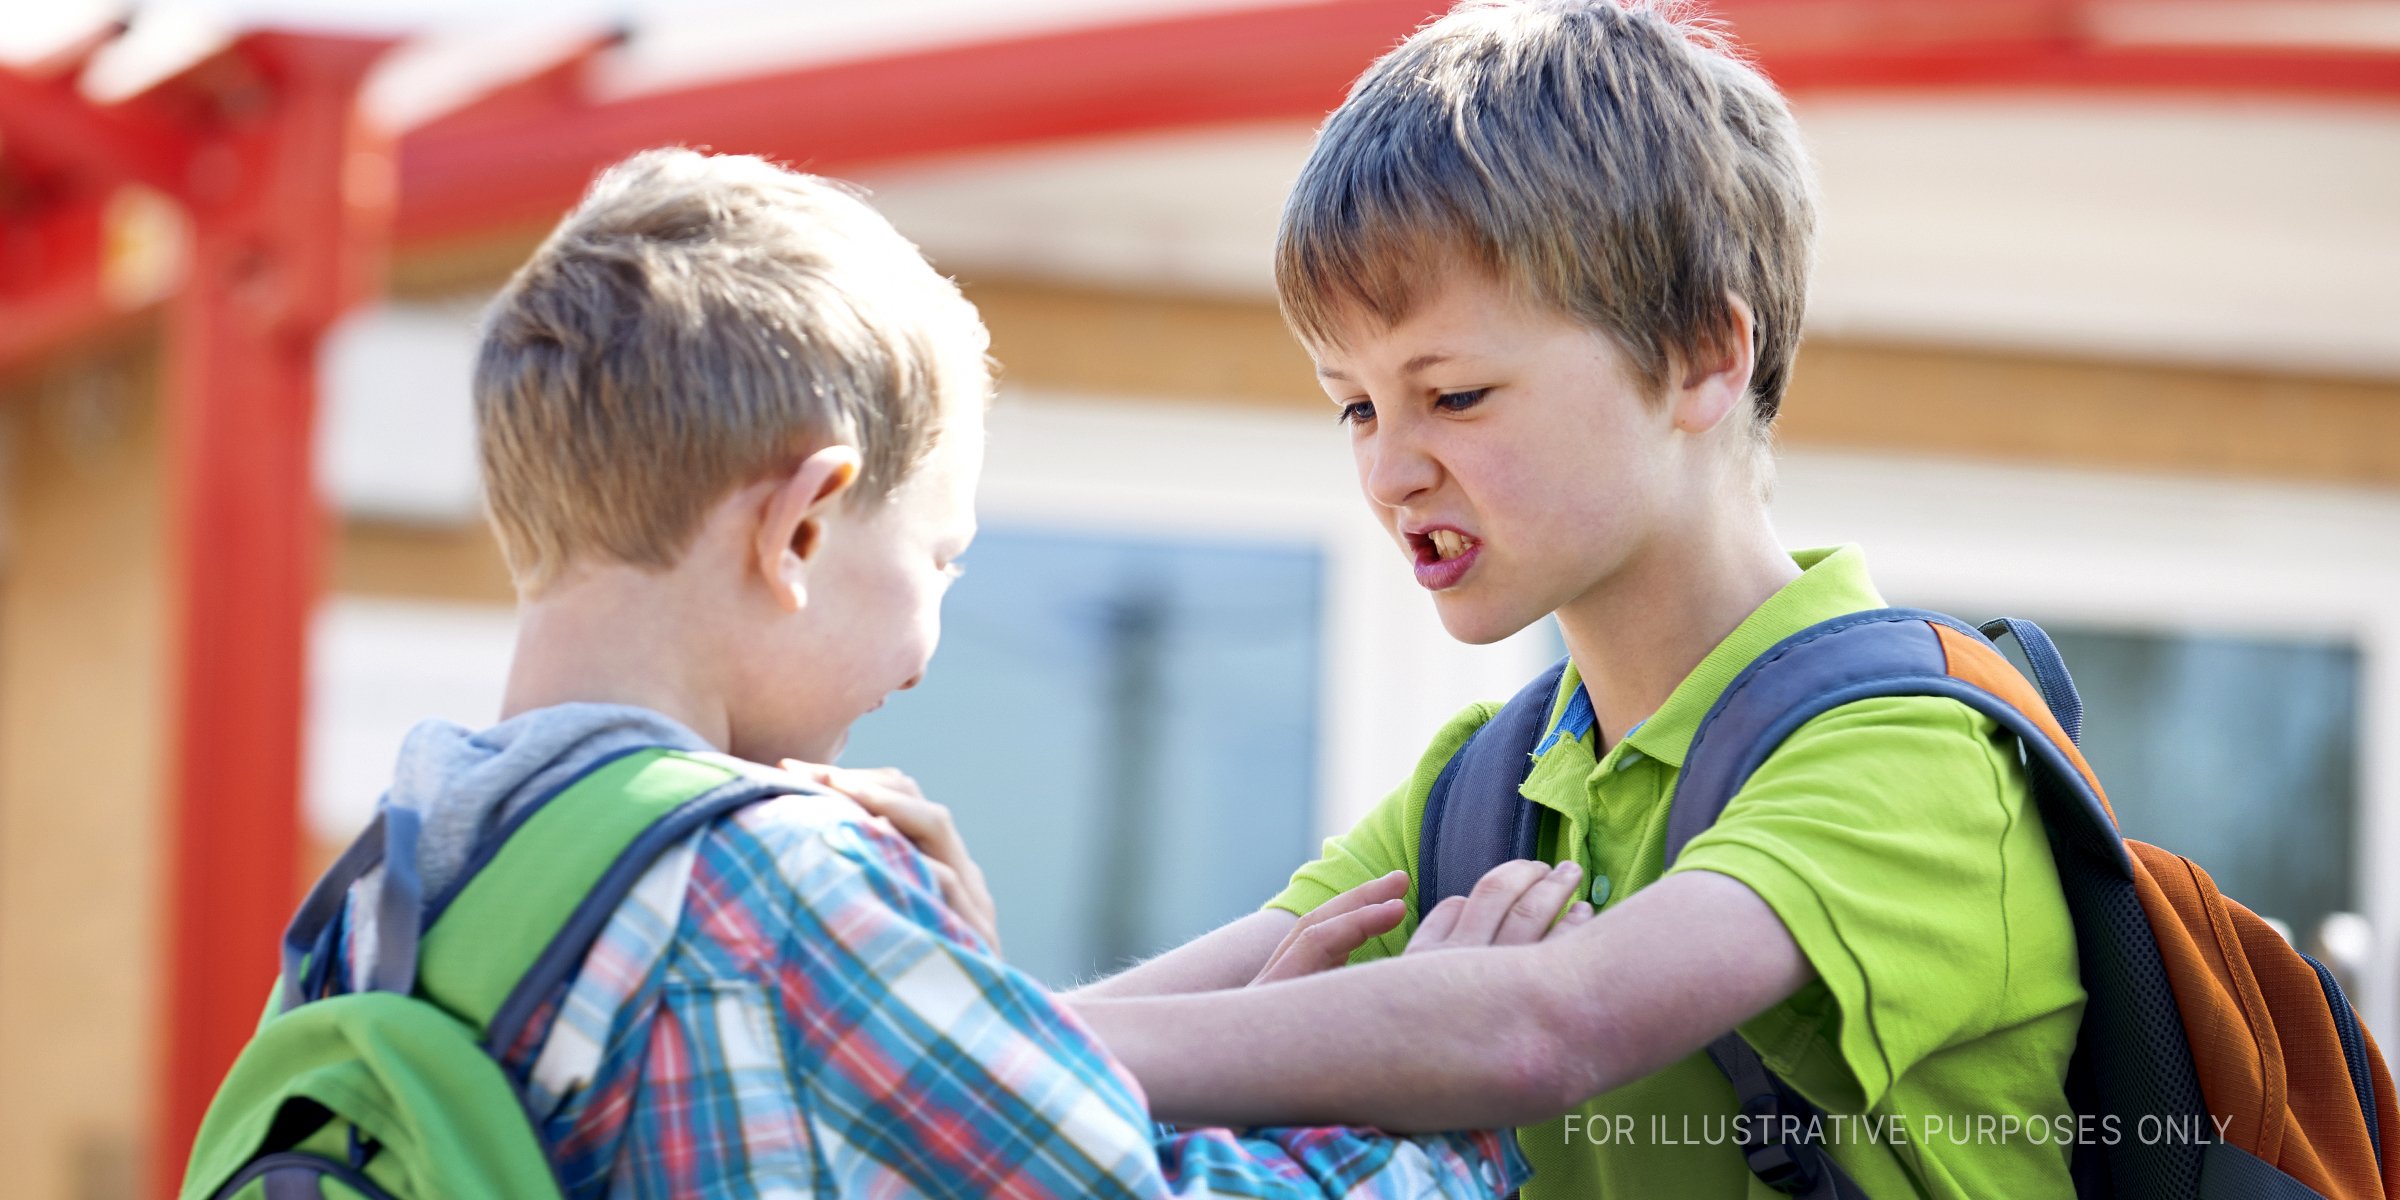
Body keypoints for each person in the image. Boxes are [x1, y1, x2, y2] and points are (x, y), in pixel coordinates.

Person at [328, 146, 1526, 1198]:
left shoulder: (393, 881)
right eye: (938, 561)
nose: (922, 654)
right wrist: (1432, 1079)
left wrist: (968, 1002)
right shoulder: (775, 886)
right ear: (800, 528)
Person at [1050, 3, 2087, 1197]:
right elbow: (1119, 1026)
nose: (1390, 472)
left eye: (1457, 394)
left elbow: (1546, 1026)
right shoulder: (1487, 795)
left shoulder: (1912, 749)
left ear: (1702, 357)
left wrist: (1325, 1048)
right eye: (1356, 406)